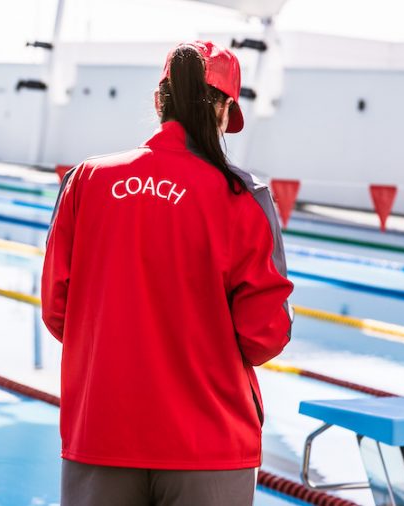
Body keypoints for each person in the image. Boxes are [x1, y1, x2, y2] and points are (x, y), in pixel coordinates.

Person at [41, 40, 294, 506]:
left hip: (101, 434)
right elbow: (266, 335)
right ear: (224, 112)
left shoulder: (85, 181)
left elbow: (58, 310)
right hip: (209, 445)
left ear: (160, 101)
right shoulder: (243, 196)